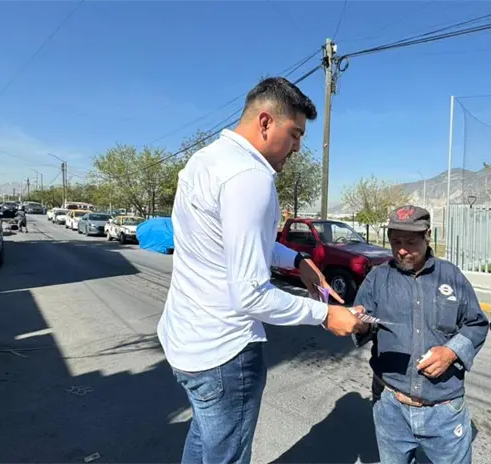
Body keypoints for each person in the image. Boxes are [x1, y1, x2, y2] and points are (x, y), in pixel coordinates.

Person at [156, 77, 366, 464]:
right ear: (266, 122)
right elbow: (251, 294)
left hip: (186, 341)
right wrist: (325, 315)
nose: (299, 147)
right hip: (224, 354)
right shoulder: (249, 177)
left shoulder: (204, 161)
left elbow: (239, 240)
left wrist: (297, 260)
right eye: (296, 134)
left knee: (203, 442)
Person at [352, 205, 489, 464]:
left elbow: (476, 324)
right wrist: (358, 323)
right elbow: (364, 324)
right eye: (395, 242)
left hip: (444, 409)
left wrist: (451, 352)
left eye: (411, 242)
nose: (402, 249)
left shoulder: (452, 276)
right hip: (390, 405)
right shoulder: (377, 278)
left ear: (427, 236)